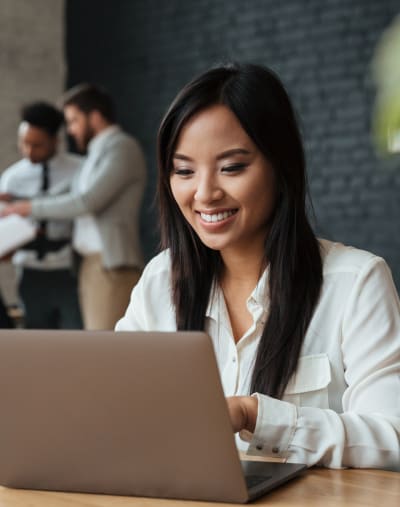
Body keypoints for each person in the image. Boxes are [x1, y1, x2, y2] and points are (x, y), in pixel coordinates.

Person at [116, 63, 400, 470]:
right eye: (183, 171)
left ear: (280, 166)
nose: (205, 193)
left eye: (232, 167)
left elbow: (392, 439)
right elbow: (113, 409)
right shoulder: (161, 280)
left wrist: (256, 417)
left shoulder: (357, 282)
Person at [1, 85, 147, 330]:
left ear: (96, 116)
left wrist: (27, 207)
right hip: (91, 265)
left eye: (74, 120)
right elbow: (68, 194)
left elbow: (87, 201)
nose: (70, 130)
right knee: (92, 345)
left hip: (110, 263)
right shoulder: (96, 153)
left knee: (103, 348)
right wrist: (17, 203)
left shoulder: (121, 147)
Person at [0, 102, 83, 329]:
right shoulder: (12, 178)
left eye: (37, 145)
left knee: (76, 339)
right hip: (28, 272)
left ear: (55, 140)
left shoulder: (80, 170)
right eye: (24, 144)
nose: (28, 151)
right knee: (36, 344)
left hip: (69, 270)